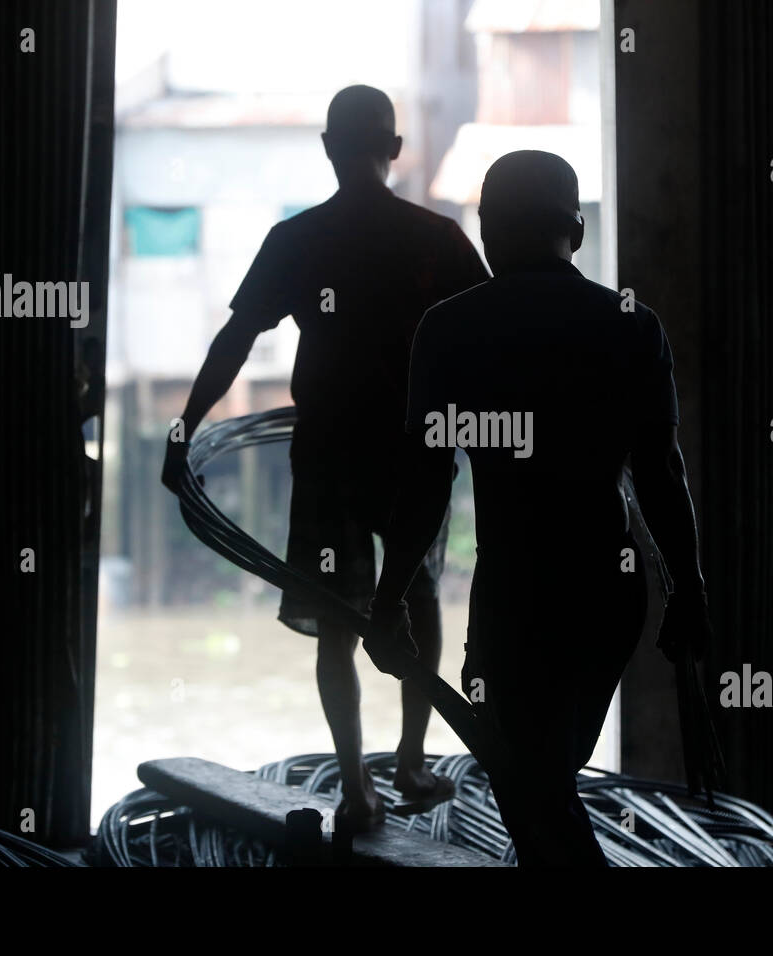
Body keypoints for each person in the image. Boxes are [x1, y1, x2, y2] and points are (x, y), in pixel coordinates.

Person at [367, 150, 714, 865]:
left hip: (514, 596)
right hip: (606, 593)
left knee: (533, 791)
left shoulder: (451, 327)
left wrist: (388, 596)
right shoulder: (631, 324)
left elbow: (426, 481)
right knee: (543, 787)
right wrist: (689, 588)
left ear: (488, 232)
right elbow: (660, 470)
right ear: (576, 233)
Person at [162, 85, 489, 832]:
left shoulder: (298, 240)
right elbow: (493, 342)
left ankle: (356, 786)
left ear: (328, 147)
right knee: (419, 595)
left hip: (330, 452)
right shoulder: (437, 240)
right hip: (413, 454)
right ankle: (411, 762)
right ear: (396, 149)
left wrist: (185, 429)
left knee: (337, 618)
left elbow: (235, 340)